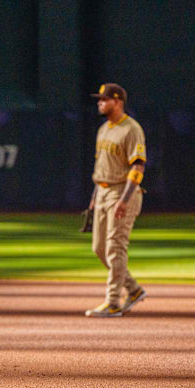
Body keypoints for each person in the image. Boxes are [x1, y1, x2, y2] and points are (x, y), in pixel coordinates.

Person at [85, 83, 148, 318]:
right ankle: (133, 290)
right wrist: (94, 196)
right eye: (99, 99)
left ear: (118, 101)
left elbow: (138, 166)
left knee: (115, 247)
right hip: (102, 191)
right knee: (99, 248)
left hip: (122, 192)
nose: (100, 102)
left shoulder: (132, 129)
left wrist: (124, 199)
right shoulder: (103, 129)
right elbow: (101, 166)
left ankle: (113, 301)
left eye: (104, 99)